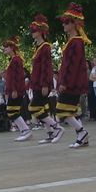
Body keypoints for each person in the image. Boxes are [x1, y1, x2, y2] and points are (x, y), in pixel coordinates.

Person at [56, 3, 91, 148]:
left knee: (62, 110)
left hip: (72, 82)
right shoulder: (72, 41)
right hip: (71, 82)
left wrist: (65, 82)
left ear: (74, 24)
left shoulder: (76, 42)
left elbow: (73, 65)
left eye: (66, 22)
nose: (63, 25)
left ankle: (82, 132)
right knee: (68, 110)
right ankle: (81, 136)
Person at [27, 14, 65, 144]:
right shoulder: (37, 47)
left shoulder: (45, 47)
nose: (32, 32)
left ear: (41, 32)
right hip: (36, 83)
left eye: (35, 30)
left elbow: (46, 67)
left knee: (34, 108)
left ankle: (57, 127)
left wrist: (45, 84)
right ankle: (50, 133)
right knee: (41, 108)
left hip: (42, 83)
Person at [2, 36, 32, 141]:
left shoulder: (16, 60)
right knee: (12, 111)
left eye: (6, 47)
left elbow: (17, 76)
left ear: (11, 47)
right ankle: (24, 130)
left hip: (16, 90)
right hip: (13, 90)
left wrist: (14, 89)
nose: (4, 49)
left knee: (12, 111)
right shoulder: (13, 60)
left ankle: (25, 130)